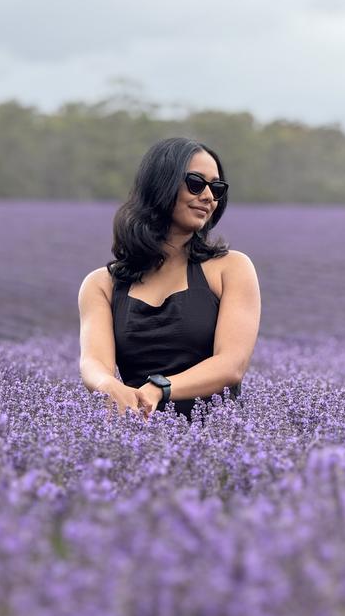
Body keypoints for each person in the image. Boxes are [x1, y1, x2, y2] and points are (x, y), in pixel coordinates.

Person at [78, 136, 261, 421]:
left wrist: (159, 387)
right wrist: (107, 384)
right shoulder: (101, 285)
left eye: (216, 188)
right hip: (138, 437)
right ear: (161, 185)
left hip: (216, 443)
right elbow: (93, 362)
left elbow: (231, 365)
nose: (208, 197)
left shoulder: (231, 269)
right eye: (196, 183)